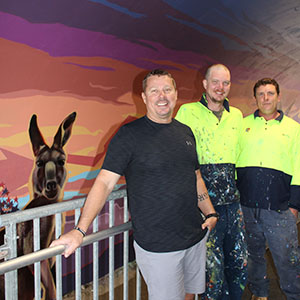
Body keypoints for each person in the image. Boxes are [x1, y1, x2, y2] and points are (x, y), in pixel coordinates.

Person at [51, 69, 218, 300]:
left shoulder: (185, 132)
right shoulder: (129, 135)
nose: (162, 96)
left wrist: (210, 212)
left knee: (191, 294)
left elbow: (196, 177)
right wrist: (80, 230)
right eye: (154, 91)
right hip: (159, 246)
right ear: (144, 97)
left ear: (176, 93)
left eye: (167, 89)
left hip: (194, 237)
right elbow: (104, 183)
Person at [175, 64, 247, 300]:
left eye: (225, 83)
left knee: (238, 260)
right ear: (204, 84)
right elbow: (176, 152)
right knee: (210, 268)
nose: (220, 87)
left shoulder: (236, 115)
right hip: (202, 205)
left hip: (232, 204)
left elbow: (240, 155)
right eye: (215, 82)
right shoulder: (187, 112)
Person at [236, 78, 300, 300]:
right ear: (255, 98)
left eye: (270, 93)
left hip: (279, 207)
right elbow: (235, 162)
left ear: (278, 97)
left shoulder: (293, 129)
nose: (265, 98)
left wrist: (294, 204)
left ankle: (294, 295)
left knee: (287, 258)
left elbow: (299, 166)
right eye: (261, 94)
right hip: (247, 205)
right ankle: (260, 293)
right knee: (253, 254)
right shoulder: (242, 126)